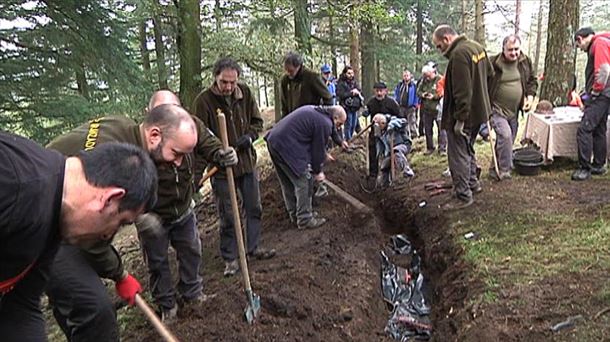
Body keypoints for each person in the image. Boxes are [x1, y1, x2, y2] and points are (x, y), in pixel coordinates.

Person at [45, 93, 236, 334]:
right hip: (44, 223)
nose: (178, 163)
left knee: (84, 307)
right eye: (175, 154)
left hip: (54, 212)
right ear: (155, 134)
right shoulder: (117, 161)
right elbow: (92, 234)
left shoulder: (124, 129)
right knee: (94, 309)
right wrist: (119, 273)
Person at [0, 134, 158, 342]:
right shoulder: (14, 181)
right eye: (121, 223)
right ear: (110, 199)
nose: (107, 235)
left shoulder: (52, 222)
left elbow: (20, 307)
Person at [193, 57, 276, 277]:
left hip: (246, 163)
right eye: (224, 82)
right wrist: (217, 154)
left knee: (254, 207)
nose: (229, 87)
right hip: (221, 169)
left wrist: (248, 137)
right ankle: (230, 258)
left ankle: (253, 247)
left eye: (232, 82)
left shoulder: (245, 93)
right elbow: (199, 135)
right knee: (228, 214)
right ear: (215, 78)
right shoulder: (204, 101)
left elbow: (257, 123)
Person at [432, 25, 493, 209]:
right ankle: (473, 183)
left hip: (464, 115)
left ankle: (463, 195)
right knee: (468, 148)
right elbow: (490, 74)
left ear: (447, 39)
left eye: (438, 45)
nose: (439, 49)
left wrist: (460, 118)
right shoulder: (477, 47)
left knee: (457, 154)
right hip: (479, 112)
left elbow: (462, 92)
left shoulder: (459, 55)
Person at [265, 105, 347, 229]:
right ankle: (304, 218)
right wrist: (318, 171)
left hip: (274, 141)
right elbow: (317, 151)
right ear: (334, 118)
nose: (339, 127)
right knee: (304, 180)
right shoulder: (324, 123)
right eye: (340, 124)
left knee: (288, 182)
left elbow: (332, 130)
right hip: (287, 146)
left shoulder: (320, 113)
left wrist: (340, 142)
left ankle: (294, 214)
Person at [488, 34, 538, 180]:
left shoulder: (524, 61)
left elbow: (531, 81)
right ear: (503, 49)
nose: (514, 53)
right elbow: (482, 82)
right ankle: (504, 170)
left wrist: (530, 96)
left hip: (514, 111)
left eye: (516, 49)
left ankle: (493, 168)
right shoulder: (493, 63)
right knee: (505, 135)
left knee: (506, 141)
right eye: (510, 50)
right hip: (496, 109)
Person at [572, 27, 610, 181]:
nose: (580, 49)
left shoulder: (599, 43)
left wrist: (593, 93)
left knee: (584, 129)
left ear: (580, 39)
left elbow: (604, 71)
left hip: (602, 95)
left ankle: (584, 168)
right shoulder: (600, 42)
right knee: (599, 128)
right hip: (606, 95)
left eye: (578, 45)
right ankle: (599, 165)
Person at [365, 82, 400, 183]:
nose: (379, 93)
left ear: (385, 91)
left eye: (381, 91)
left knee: (388, 152)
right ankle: (373, 174)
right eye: (377, 91)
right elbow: (367, 110)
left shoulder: (391, 103)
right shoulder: (371, 102)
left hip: (388, 132)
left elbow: (399, 116)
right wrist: (366, 112)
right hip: (375, 131)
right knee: (373, 151)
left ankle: (388, 174)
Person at [280, 51, 332, 118]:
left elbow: (328, 98)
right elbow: (284, 106)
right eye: (286, 70)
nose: (288, 73)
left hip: (310, 120)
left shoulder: (312, 77)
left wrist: (322, 116)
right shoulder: (285, 81)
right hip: (292, 121)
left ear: (298, 66)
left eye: (290, 71)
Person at [371, 114, 415, 187]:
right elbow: (379, 144)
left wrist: (392, 126)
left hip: (403, 145)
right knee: (384, 166)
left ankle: (407, 171)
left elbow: (403, 122)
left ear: (382, 123)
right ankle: (385, 184)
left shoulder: (393, 121)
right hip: (389, 150)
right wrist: (380, 154)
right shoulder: (379, 132)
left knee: (396, 152)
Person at [417, 64, 446, 155]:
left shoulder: (440, 79)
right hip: (427, 109)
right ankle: (430, 148)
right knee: (428, 129)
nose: (427, 78)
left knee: (441, 129)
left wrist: (434, 97)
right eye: (425, 76)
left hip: (438, 109)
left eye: (428, 75)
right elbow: (418, 91)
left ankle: (442, 149)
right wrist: (423, 95)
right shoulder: (424, 81)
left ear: (432, 73)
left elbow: (443, 93)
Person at [336, 65, 364, 140]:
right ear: (345, 73)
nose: (351, 75)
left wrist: (357, 92)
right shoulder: (341, 83)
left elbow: (359, 90)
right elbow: (340, 94)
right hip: (346, 107)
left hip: (354, 107)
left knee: (354, 124)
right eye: (349, 73)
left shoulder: (354, 82)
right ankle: (348, 140)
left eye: (352, 73)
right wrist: (351, 93)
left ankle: (350, 139)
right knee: (348, 124)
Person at [394, 69, 419, 138]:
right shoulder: (399, 85)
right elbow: (396, 93)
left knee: (412, 122)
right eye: (404, 76)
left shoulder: (414, 85)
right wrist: (396, 102)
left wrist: (415, 104)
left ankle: (414, 136)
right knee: (402, 122)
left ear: (410, 76)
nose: (406, 77)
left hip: (411, 107)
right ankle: (404, 136)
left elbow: (417, 95)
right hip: (401, 106)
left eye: (407, 75)